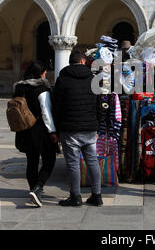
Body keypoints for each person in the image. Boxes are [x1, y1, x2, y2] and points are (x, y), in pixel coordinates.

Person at [54, 50, 103, 207]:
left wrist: (57, 128)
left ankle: (75, 196)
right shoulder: (94, 79)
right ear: (83, 62)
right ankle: (97, 195)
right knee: (93, 161)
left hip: (70, 128)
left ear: (70, 62)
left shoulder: (62, 79)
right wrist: (98, 126)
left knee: (73, 164)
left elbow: (57, 107)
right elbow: (99, 106)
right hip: (90, 127)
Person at [13, 61, 59, 207]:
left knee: (31, 161)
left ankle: (33, 189)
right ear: (40, 73)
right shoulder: (42, 89)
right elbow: (46, 113)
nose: (46, 74)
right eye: (44, 72)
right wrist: (52, 131)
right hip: (40, 131)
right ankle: (38, 188)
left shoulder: (19, 88)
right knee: (49, 160)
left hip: (24, 130)